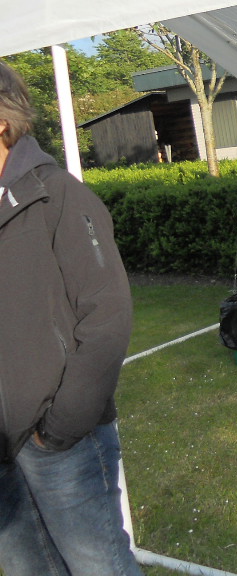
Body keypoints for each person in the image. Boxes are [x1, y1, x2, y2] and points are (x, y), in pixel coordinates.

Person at [0, 61, 141, 576]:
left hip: (59, 441)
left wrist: (61, 426)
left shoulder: (56, 194)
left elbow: (107, 317)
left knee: (100, 567)